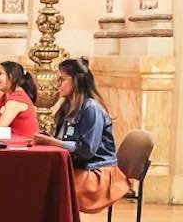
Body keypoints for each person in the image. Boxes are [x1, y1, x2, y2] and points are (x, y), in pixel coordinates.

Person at [34, 57, 129, 213]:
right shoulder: (67, 106)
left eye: (61, 79)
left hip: (96, 172)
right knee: (36, 182)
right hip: (77, 167)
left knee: (48, 192)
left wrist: (52, 142)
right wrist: (48, 139)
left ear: (77, 81)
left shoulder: (91, 108)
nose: (57, 85)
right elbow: (65, 140)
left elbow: (86, 151)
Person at [0, 60, 38, 139]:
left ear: (12, 76)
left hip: (23, 144)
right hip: (10, 142)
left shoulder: (17, 99)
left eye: (0, 74)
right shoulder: (5, 97)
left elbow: (0, 126)